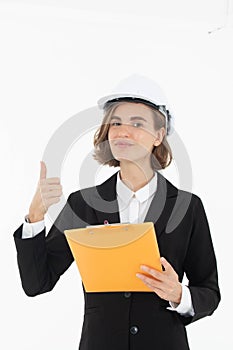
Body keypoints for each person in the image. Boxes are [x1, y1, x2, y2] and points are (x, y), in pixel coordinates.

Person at [13, 74, 220, 350]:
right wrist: (35, 218)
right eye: (116, 123)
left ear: (159, 135)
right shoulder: (83, 204)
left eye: (137, 123)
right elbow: (37, 282)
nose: (123, 131)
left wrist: (179, 294)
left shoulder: (187, 207)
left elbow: (209, 292)